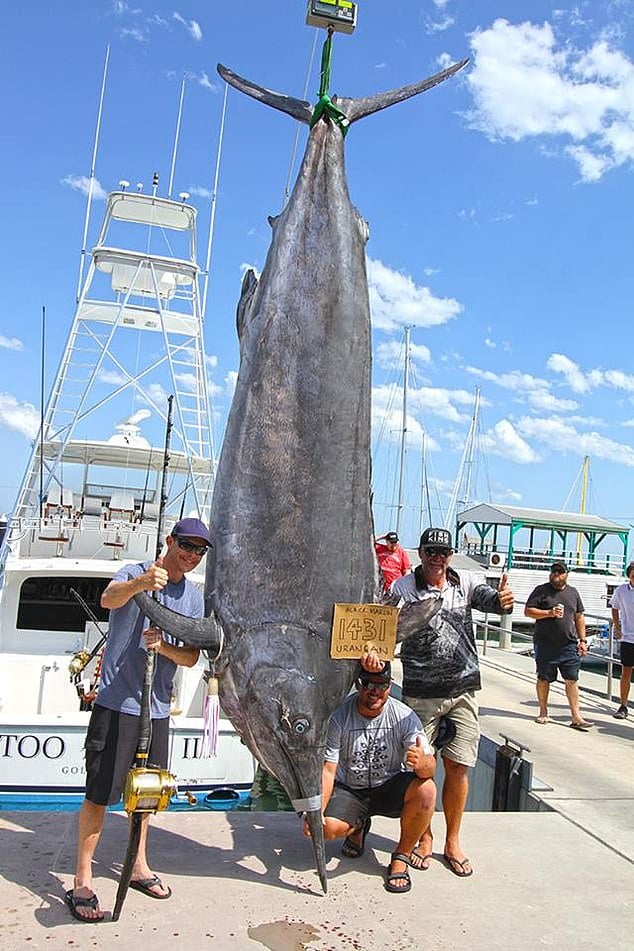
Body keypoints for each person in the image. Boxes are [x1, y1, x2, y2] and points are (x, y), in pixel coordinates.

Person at [65, 517, 210, 922]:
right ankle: (82, 878)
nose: (192, 554)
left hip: (157, 709)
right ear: (170, 541)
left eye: (200, 549)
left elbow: (191, 656)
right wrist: (142, 584)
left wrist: (164, 647)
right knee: (99, 794)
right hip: (116, 705)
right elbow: (109, 600)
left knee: (145, 795)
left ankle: (139, 866)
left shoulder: (193, 599)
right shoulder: (134, 571)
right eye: (186, 544)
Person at [362, 527, 514, 878]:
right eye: (431, 550)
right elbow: (379, 628)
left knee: (459, 768)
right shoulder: (403, 588)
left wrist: (504, 600)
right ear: (421, 552)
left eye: (443, 551)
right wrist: (372, 654)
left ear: (450, 554)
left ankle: (453, 841)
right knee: (421, 770)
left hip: (462, 692)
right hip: (421, 695)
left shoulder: (466, 582)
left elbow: (492, 600)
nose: (437, 557)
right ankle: (425, 837)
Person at [305, 660, 436, 894]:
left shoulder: (404, 716)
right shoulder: (338, 717)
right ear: (357, 684)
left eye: (381, 685)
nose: (374, 691)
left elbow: (429, 769)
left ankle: (401, 856)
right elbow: (327, 770)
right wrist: (316, 812)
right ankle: (358, 826)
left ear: (389, 686)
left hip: (388, 786)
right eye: (367, 684)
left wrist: (423, 763)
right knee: (327, 829)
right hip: (351, 790)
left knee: (427, 789)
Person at [524, 561, 592, 731]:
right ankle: (543, 710)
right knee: (544, 678)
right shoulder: (541, 590)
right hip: (545, 642)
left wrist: (582, 640)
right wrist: (549, 613)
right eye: (554, 571)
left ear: (566, 574)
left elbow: (579, 617)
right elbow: (528, 611)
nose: (556, 575)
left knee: (572, 679)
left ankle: (576, 716)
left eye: (560, 572)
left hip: (568, 643)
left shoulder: (573, 593)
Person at [609, 561, 634, 719]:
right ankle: (623, 705)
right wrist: (617, 627)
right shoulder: (622, 590)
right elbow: (614, 607)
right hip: (628, 637)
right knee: (626, 672)